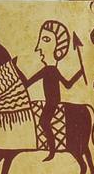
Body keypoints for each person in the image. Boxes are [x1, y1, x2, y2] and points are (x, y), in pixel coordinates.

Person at [20, 20, 84, 162]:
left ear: (57, 47)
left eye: (46, 40)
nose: (38, 48)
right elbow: (28, 83)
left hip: (52, 102)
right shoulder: (49, 70)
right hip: (50, 101)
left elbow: (67, 85)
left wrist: (80, 72)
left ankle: (52, 150)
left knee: (43, 122)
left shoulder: (50, 70)